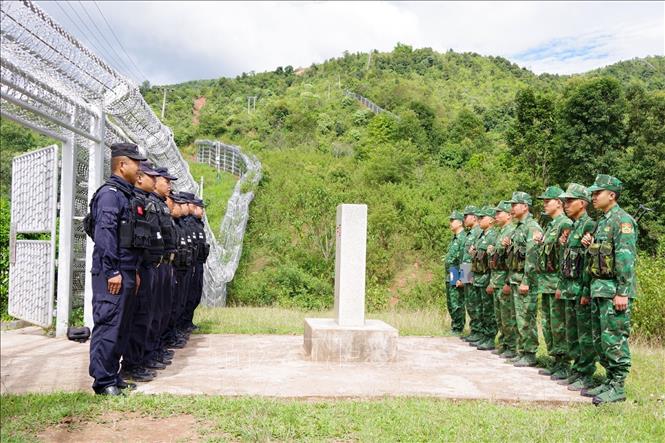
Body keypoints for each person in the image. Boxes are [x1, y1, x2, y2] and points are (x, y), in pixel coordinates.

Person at [88, 142, 146, 395]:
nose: (140, 168)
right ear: (122, 165)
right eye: (136, 163)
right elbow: (105, 234)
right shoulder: (110, 194)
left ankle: (113, 375)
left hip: (126, 270)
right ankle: (103, 382)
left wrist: (133, 271)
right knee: (109, 324)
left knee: (122, 326)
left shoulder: (125, 194)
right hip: (112, 272)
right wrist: (112, 271)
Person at [581, 175, 637, 405]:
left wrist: (622, 292)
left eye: (597, 193)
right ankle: (609, 379)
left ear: (611, 195)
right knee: (600, 341)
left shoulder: (622, 221)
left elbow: (626, 259)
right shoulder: (602, 221)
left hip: (614, 291)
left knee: (614, 340)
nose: (593, 197)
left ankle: (618, 386)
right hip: (599, 289)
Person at [120, 161, 165, 382]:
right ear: (139, 178)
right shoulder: (132, 201)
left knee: (148, 315)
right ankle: (132, 364)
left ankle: (142, 358)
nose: (155, 181)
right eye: (151, 177)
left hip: (150, 267)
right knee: (137, 318)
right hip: (138, 268)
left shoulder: (146, 202)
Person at [557, 183, 597, 391]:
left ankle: (586, 372)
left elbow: (589, 264)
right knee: (571, 333)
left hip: (581, 289)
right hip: (569, 288)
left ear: (582, 203)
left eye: (570, 201)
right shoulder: (572, 227)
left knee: (584, 334)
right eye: (564, 201)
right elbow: (567, 262)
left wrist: (585, 291)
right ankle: (577, 368)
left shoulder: (589, 225)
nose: (565, 204)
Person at [535, 186, 572, 379]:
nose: (544, 205)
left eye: (546, 201)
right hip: (546, 283)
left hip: (556, 282)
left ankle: (564, 363)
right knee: (549, 324)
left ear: (558, 202)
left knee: (559, 326)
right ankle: (556, 361)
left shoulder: (564, 224)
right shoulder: (551, 225)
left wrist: (561, 284)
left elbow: (566, 259)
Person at [504, 191, 543, 367]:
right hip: (515, 278)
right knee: (518, 317)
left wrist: (526, 281)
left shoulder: (532, 227)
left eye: (515, 204)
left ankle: (530, 353)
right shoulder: (518, 227)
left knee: (526, 318)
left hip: (524, 280)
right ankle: (522, 350)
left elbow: (531, 258)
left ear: (525, 206)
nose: (512, 208)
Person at [487, 201, 517, 358]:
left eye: (499, 213)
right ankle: (505, 343)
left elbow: (511, 261)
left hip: (504, 280)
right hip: (496, 280)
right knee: (500, 316)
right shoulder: (501, 232)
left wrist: (507, 281)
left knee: (507, 317)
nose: (496, 216)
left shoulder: (511, 231)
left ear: (508, 215)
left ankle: (512, 346)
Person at [471, 206, 497, 350]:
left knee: (488, 310)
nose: (479, 220)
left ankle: (489, 337)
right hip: (477, 277)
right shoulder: (481, 235)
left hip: (486, 277)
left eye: (482, 218)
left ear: (491, 220)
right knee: (480, 308)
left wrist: (492, 281)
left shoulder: (493, 236)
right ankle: (482, 334)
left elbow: (493, 261)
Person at [460, 206, 482, 343]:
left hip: (472, 270)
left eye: (466, 216)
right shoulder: (469, 233)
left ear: (474, 217)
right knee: (470, 302)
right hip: (466, 269)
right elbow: (464, 257)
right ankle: (474, 330)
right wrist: (461, 276)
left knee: (475, 303)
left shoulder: (478, 232)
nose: (464, 219)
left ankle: (478, 331)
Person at [444, 210, 466, 335]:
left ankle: (458, 327)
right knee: (451, 301)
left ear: (460, 222)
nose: (450, 223)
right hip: (451, 272)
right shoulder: (455, 238)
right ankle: (455, 326)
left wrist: (463, 278)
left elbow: (466, 259)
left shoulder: (463, 238)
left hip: (457, 272)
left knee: (457, 301)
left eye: (453, 220)